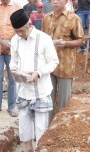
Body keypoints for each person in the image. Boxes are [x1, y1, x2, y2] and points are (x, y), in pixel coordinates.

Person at [10, 9, 59, 152]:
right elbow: (14, 60)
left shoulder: (44, 39)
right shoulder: (15, 40)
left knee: (40, 126)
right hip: (23, 90)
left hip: (41, 90)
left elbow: (53, 62)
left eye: (20, 31)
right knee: (24, 123)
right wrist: (13, 71)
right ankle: (28, 148)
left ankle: (40, 148)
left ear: (29, 25)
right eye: (16, 31)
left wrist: (39, 73)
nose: (18, 34)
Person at [42, 0, 84, 121]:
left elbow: (80, 41)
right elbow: (43, 39)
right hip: (49, 65)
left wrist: (64, 43)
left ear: (66, 1)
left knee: (64, 101)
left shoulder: (74, 18)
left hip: (65, 65)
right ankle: (48, 128)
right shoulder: (46, 18)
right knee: (48, 98)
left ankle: (61, 127)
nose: (54, 2)